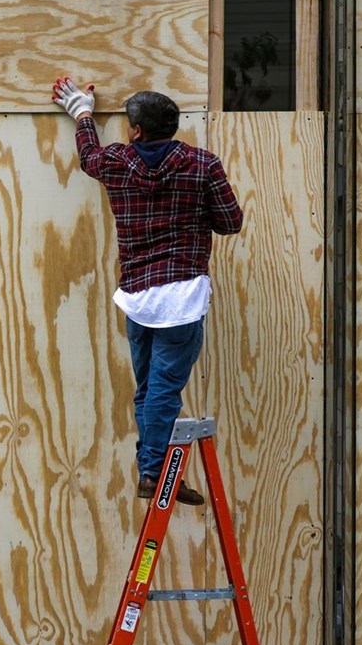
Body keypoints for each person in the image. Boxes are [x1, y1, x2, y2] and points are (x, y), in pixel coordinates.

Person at [51, 77, 243, 503]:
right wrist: (197, 214)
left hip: (138, 298)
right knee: (162, 389)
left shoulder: (118, 162)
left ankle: (150, 470)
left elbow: (89, 157)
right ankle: (155, 473)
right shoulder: (202, 165)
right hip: (181, 300)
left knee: (149, 389)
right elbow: (231, 222)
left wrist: (83, 112)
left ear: (136, 131)